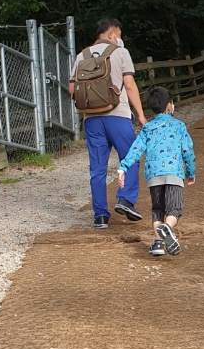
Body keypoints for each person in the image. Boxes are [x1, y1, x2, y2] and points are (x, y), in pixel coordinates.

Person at [68, 17, 147, 227]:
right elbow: (129, 86)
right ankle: (125, 200)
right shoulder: (121, 53)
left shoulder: (81, 56)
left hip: (91, 120)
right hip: (117, 115)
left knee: (97, 168)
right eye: (119, 36)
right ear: (112, 34)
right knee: (131, 157)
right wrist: (140, 114)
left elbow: (71, 90)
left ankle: (100, 216)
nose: (119, 40)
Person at [117, 86, 196, 257]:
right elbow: (188, 150)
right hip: (174, 173)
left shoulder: (148, 128)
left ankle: (158, 243)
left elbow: (136, 150)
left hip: (154, 176)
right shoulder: (179, 126)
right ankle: (168, 227)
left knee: (157, 209)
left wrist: (123, 167)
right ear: (169, 105)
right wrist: (190, 172)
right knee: (174, 209)